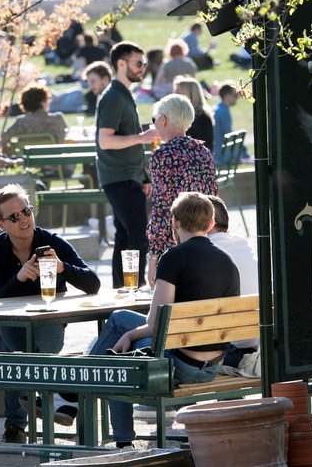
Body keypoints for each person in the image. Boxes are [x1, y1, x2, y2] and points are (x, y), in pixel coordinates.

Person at [88, 192, 240, 448]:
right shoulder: (227, 262)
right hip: (213, 366)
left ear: (176, 222)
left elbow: (156, 323)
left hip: (180, 366)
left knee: (116, 345)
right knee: (121, 322)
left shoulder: (173, 257)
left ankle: (85, 386)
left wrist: (129, 335)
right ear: (211, 224)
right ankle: (84, 380)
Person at [0, 183, 101, 443]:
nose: (23, 219)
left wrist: (62, 268)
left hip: (48, 321)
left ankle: (36, 403)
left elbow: (93, 283)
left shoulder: (52, 242)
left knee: (24, 354)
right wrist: (19, 277)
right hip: (10, 324)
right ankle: (53, 398)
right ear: (1, 224)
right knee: (10, 344)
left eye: (26, 211)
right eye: (14, 217)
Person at [96, 41, 158, 288]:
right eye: (138, 63)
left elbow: (125, 139)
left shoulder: (124, 94)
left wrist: (143, 176)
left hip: (129, 177)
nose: (143, 68)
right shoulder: (112, 96)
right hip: (117, 177)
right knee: (139, 236)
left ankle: (122, 291)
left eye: (144, 63)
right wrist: (142, 137)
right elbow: (105, 140)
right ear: (121, 63)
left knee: (124, 237)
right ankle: (134, 289)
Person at [145, 93, 218, 284]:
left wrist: (154, 256)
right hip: (205, 239)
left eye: (155, 119)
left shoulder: (162, 155)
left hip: (175, 245)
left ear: (163, 119)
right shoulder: (204, 152)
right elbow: (214, 198)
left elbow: (161, 208)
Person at [205, 194, 259, 366]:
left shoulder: (205, 251)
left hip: (231, 352)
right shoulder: (244, 245)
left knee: (120, 321)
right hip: (257, 347)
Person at [2, 85, 68, 148]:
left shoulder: (21, 122)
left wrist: (9, 153)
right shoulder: (58, 120)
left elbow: (3, 138)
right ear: (42, 102)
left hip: (27, 158)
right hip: (52, 158)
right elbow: (62, 141)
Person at [172, 76, 214, 153]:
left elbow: (199, 147)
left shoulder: (200, 117)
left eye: (178, 91)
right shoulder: (187, 115)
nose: (174, 94)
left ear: (191, 94)